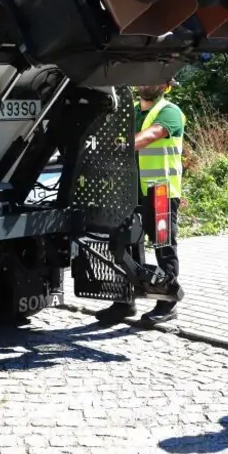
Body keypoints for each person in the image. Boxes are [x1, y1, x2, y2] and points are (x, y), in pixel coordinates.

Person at [96, 81, 186, 325]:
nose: (146, 82)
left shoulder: (169, 112)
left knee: (163, 247)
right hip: (129, 191)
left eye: (154, 79)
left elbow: (149, 136)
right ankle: (124, 302)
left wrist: (114, 144)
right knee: (124, 245)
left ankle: (167, 303)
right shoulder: (131, 110)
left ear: (165, 85)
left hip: (160, 192)